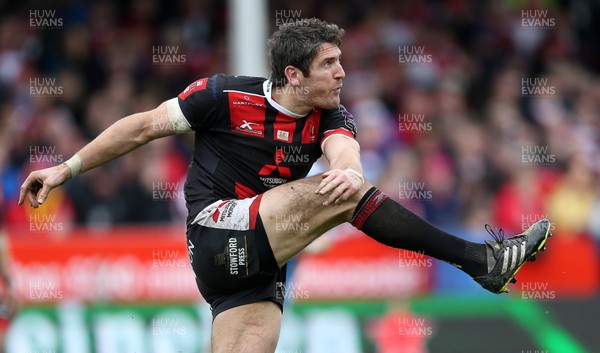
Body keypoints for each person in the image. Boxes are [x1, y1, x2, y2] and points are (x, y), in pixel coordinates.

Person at [18, 18, 551, 353]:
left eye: (341, 61)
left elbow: (345, 155)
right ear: (293, 75)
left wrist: (352, 173)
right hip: (216, 233)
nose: (342, 73)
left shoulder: (330, 115)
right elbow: (142, 126)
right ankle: (482, 262)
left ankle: (484, 264)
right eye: (329, 64)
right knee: (339, 194)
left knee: (342, 187)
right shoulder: (223, 97)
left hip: (255, 272)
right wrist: (65, 170)